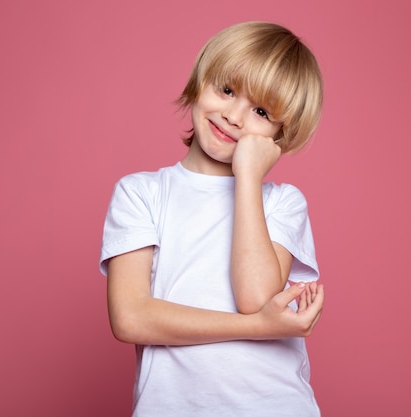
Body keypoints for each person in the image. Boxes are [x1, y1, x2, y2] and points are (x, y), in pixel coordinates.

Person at [100, 21, 325, 417]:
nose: (235, 116)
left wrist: (249, 178)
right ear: (201, 80)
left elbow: (256, 298)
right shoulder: (142, 193)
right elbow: (131, 317)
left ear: (279, 133)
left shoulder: (282, 203)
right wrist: (262, 328)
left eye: (260, 111)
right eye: (226, 90)